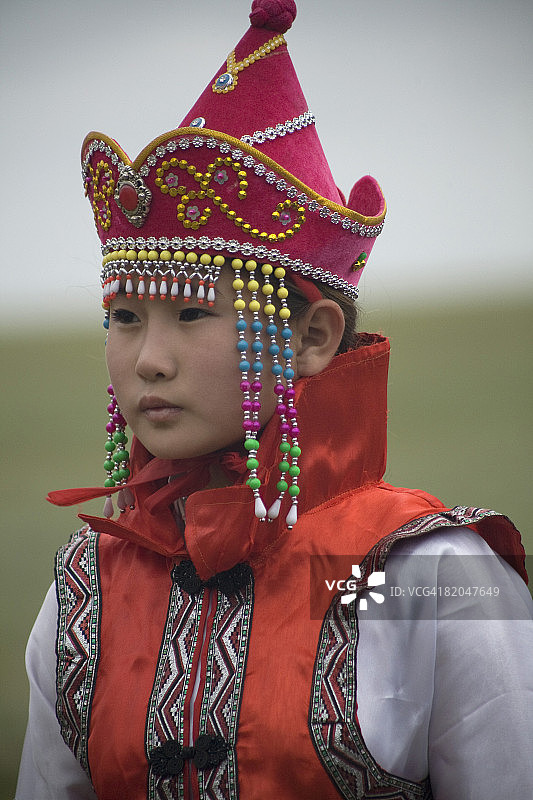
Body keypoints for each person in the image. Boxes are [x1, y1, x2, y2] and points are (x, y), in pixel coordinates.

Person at [16, 1, 533, 798]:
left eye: (191, 312)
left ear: (314, 337)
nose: (148, 359)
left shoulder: (431, 575)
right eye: (124, 316)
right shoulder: (85, 590)